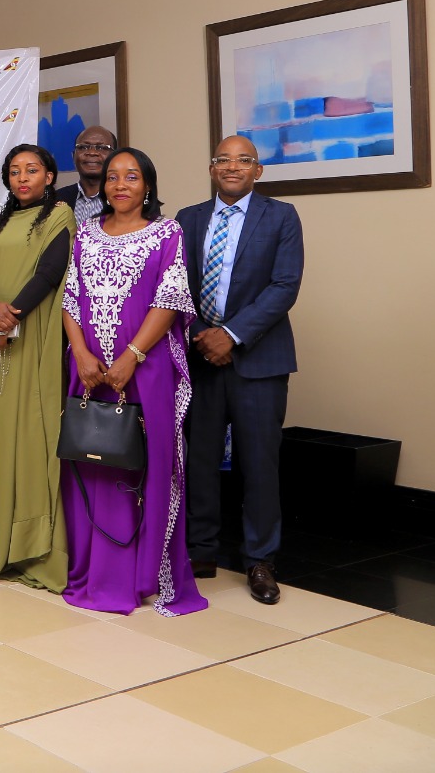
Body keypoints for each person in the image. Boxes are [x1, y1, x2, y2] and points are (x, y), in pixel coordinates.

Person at [61, 147, 205, 616]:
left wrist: (131, 356)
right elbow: (71, 297)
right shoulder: (85, 233)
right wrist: (81, 353)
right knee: (93, 458)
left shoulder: (167, 232)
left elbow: (170, 298)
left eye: (132, 176)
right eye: (113, 177)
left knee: (144, 461)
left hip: (146, 367)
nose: (121, 184)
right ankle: (94, 568)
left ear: (147, 186)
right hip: (88, 370)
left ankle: (143, 574)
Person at [181, 136, 304, 605]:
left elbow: (284, 285)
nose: (232, 167)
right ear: (212, 168)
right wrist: (203, 337)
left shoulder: (281, 217)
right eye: (223, 160)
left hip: (259, 359)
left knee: (259, 463)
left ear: (259, 171)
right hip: (200, 358)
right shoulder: (189, 219)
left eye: (243, 160)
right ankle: (200, 552)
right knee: (200, 460)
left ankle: (259, 560)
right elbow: (175, 286)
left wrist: (230, 335)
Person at [0, 144, 75, 589]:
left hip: (34, 338)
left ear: (50, 176)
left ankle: (33, 548)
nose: (22, 178)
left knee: (33, 435)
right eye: (14, 171)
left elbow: (51, 272)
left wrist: (11, 315)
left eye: (32, 170)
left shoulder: (60, 216)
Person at [55, 126, 116, 226]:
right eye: (83, 147)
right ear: (73, 156)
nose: (92, 153)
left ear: (115, 157)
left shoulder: (123, 198)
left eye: (101, 148)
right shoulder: (56, 198)